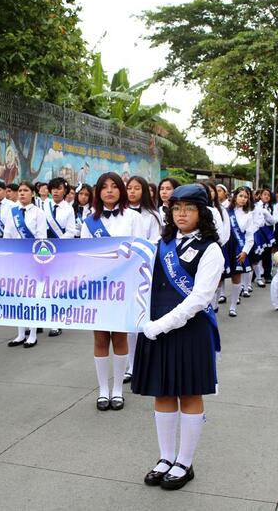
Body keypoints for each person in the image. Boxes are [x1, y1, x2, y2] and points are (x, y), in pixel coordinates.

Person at [132, 184, 222, 491]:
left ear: (202, 213)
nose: (181, 213)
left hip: (189, 330)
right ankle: (165, 457)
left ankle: (185, 461)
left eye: (189, 208)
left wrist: (160, 325)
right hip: (156, 325)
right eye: (176, 207)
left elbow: (200, 299)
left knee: (189, 394)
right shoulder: (160, 242)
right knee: (163, 393)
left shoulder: (211, 248)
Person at [81, 172, 144, 411]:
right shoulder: (89, 220)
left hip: (124, 285)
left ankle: (118, 388)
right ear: (98, 192)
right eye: (104, 187)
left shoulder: (133, 217)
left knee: (119, 337)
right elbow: (84, 254)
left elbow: (139, 252)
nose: (109, 190)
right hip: (98, 286)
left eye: (114, 186)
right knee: (99, 338)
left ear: (121, 190)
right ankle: (102, 390)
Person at [125, 175, 164, 381]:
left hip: (144, 272)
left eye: (136, 188)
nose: (132, 192)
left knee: (143, 319)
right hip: (122, 273)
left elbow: (154, 243)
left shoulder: (153, 215)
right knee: (128, 321)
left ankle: (145, 361)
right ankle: (131, 365)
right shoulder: (121, 213)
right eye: (129, 188)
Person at [2, 181, 47, 348]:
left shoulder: (39, 213)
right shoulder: (12, 212)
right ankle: (20, 334)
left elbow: (42, 238)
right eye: (20, 190)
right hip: (16, 259)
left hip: (32, 259)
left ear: (32, 194)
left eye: (25, 190)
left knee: (32, 297)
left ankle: (33, 334)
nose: (21, 193)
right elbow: (7, 236)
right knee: (18, 296)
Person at [44, 177, 78, 337]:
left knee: (57, 286)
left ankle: (56, 322)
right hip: (42, 250)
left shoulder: (68, 209)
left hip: (60, 249)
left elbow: (71, 231)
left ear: (64, 191)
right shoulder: (43, 205)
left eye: (59, 188)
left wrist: (58, 244)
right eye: (53, 188)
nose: (56, 191)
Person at [226, 187, 257, 317]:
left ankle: (233, 306)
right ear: (235, 196)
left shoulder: (248, 215)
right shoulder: (225, 211)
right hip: (225, 246)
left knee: (236, 276)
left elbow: (250, 236)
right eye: (241, 196)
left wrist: (245, 252)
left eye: (246, 197)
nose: (243, 199)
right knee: (219, 277)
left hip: (239, 247)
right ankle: (214, 305)